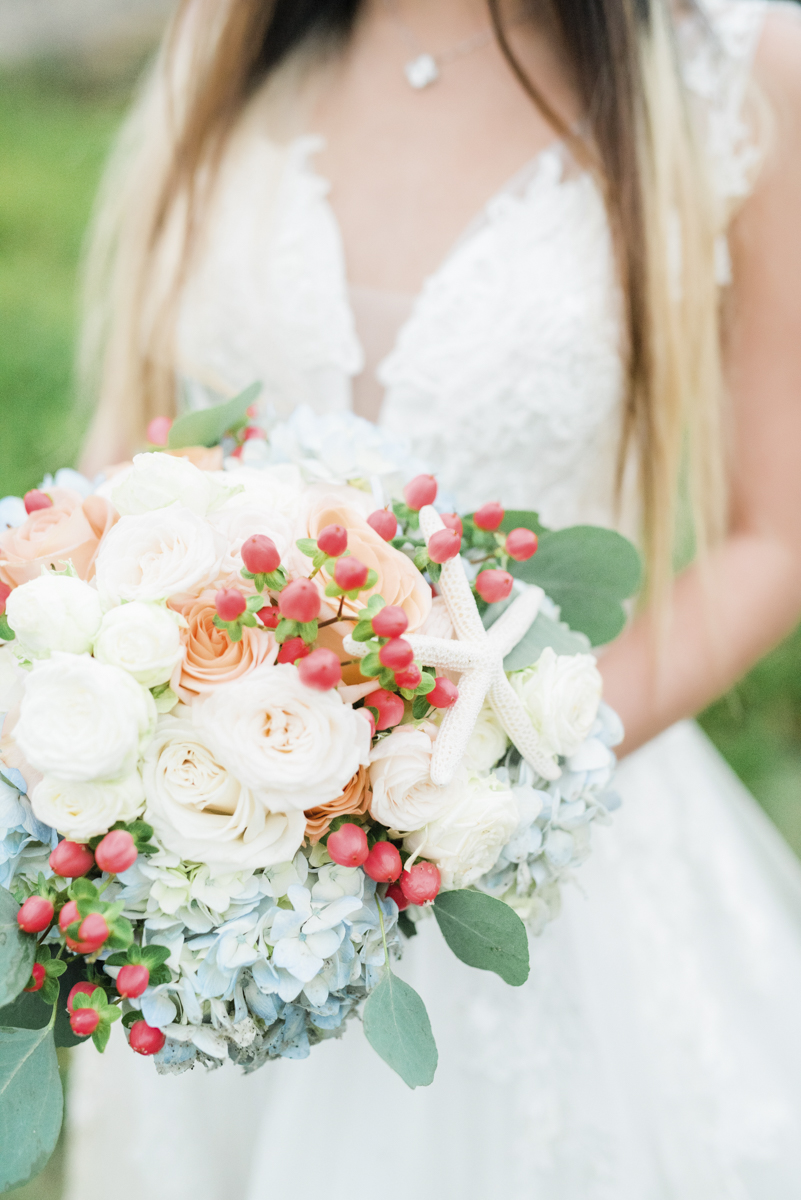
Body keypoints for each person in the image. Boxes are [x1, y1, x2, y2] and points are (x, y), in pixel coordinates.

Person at [67, 0, 801, 1196]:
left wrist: (477, 772)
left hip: (541, 860)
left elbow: (781, 531)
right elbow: (130, 455)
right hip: (215, 859)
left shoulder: (732, 71)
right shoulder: (233, 33)